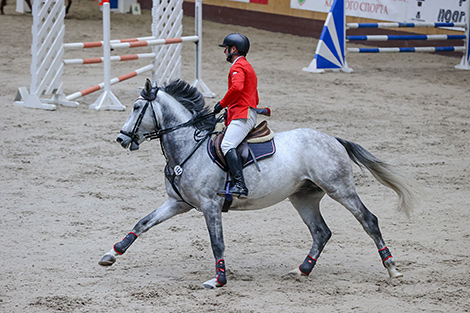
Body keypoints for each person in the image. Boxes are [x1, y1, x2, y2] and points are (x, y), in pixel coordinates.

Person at [214, 33, 259, 199]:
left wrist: (221, 104)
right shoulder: (246, 65)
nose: (225, 52)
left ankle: (240, 185)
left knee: (226, 145)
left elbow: (237, 88)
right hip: (243, 111)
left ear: (234, 49)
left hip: (243, 114)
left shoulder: (237, 67)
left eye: (226, 48)